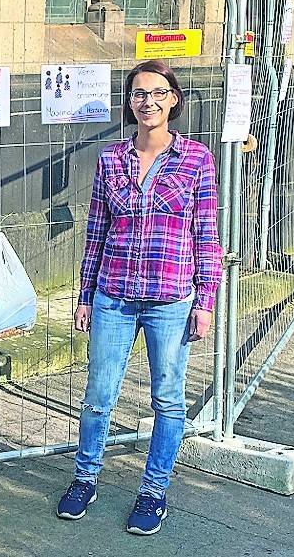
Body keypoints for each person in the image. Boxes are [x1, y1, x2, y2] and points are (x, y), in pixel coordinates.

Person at [56, 60, 222, 535]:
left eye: (156, 93)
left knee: (167, 399)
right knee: (98, 396)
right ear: (129, 102)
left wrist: (205, 299)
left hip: (171, 300)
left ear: (173, 100)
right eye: (137, 94)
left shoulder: (196, 160)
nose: (146, 101)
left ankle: (154, 492)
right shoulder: (111, 160)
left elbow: (207, 233)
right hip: (114, 296)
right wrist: (85, 294)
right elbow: (97, 232)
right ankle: (85, 479)